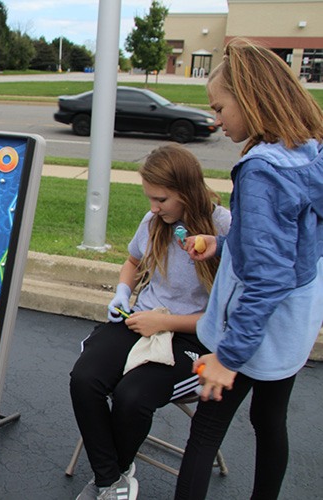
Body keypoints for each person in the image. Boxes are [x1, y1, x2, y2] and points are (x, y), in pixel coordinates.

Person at [174, 39, 323, 500]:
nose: (215, 120)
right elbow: (289, 244)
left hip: (251, 335)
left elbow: (267, 277)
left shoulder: (261, 170)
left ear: (252, 99)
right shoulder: (309, 152)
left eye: (219, 107)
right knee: (268, 421)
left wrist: (228, 357)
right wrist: (222, 243)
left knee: (205, 435)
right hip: (293, 328)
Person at [69, 144, 231, 500]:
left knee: (132, 396)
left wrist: (167, 323)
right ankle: (113, 479)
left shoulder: (224, 229)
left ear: (187, 192)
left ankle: (107, 478)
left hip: (192, 337)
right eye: (150, 199)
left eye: (161, 199)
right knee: (85, 379)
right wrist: (122, 292)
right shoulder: (154, 222)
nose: (153, 208)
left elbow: (224, 316)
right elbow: (132, 260)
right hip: (142, 320)